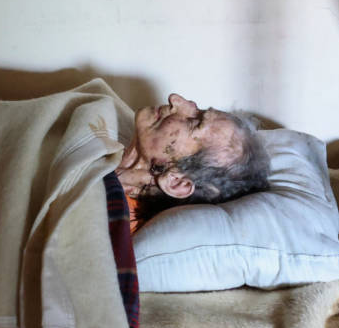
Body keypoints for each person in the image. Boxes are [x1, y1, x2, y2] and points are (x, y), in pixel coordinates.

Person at [114, 93, 270, 231]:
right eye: (200, 111)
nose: (175, 99)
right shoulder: (108, 140)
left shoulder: (110, 221)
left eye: (193, 122)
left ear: (176, 182)